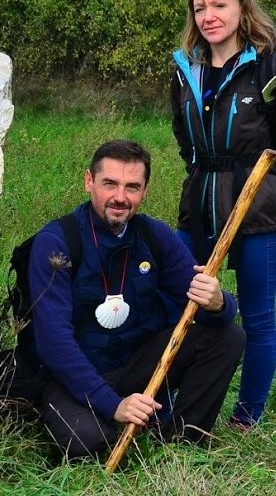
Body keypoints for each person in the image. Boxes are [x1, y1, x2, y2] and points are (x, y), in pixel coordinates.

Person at [28, 139, 246, 459]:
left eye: (132, 187)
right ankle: (103, 415)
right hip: (73, 374)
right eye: (109, 184)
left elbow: (201, 302)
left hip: (136, 365)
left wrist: (220, 303)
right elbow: (53, 342)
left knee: (227, 337)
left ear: (144, 190)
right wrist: (112, 404)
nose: (120, 197)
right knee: (89, 443)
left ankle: (183, 441)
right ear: (89, 181)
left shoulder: (154, 236)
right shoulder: (57, 243)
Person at [169, 0, 276, 430]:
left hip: (258, 206)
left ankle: (247, 415)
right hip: (201, 202)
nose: (210, 15)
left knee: (256, 316)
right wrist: (201, 176)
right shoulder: (185, 70)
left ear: (240, 8)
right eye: (200, 8)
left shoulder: (267, 67)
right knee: (179, 298)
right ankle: (172, 401)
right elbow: (183, 138)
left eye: (219, 5)